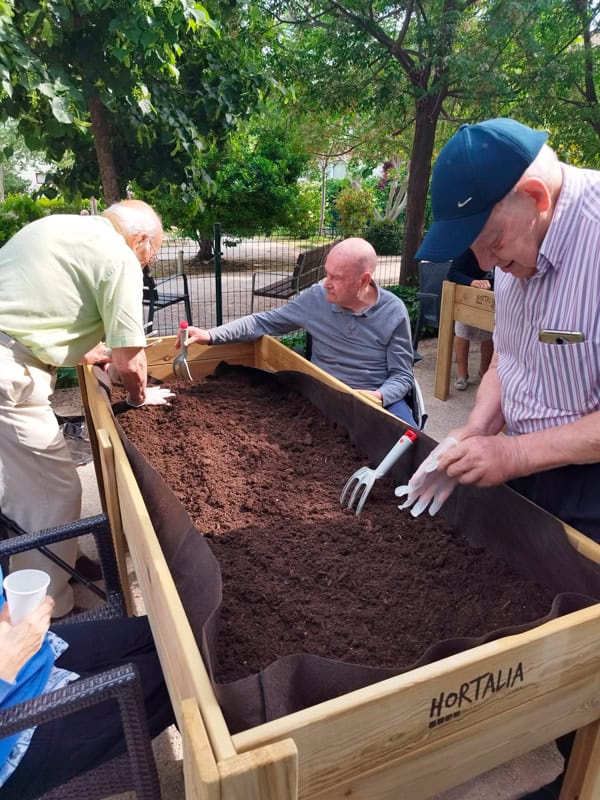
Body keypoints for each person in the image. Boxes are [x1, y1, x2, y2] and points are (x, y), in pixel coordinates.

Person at [397, 117, 600, 799]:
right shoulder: (516, 253)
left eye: (492, 243)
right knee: (536, 623)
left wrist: (511, 454)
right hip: (535, 469)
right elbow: (510, 363)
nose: (486, 266)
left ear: (536, 199)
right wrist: (472, 433)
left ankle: (578, 770)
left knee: (587, 652)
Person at [0, 200, 174, 618]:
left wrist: (81, 349)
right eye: (153, 253)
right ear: (142, 240)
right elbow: (131, 360)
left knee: (21, 480)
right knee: (54, 490)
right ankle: (46, 607)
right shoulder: (121, 258)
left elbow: (39, 311)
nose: (148, 262)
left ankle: (61, 556)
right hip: (7, 372)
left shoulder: (60, 227)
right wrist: (138, 396)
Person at [179, 237, 419, 427]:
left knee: (413, 447)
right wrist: (210, 335)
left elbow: (402, 376)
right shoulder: (317, 298)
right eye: (327, 273)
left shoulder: (393, 312)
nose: (326, 282)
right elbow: (263, 322)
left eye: (336, 277)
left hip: (376, 400)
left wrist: (378, 396)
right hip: (325, 395)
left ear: (363, 280)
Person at [0, 590, 174, 800]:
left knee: (172, 628)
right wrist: (5, 663)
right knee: (184, 671)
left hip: (34, 652)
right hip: (15, 730)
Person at [447, 248, 494, 391]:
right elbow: (452, 273)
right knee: (462, 332)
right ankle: (462, 375)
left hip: (491, 299)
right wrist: (472, 281)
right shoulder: (467, 249)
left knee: (489, 335)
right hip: (466, 298)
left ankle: (484, 372)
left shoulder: (502, 250)